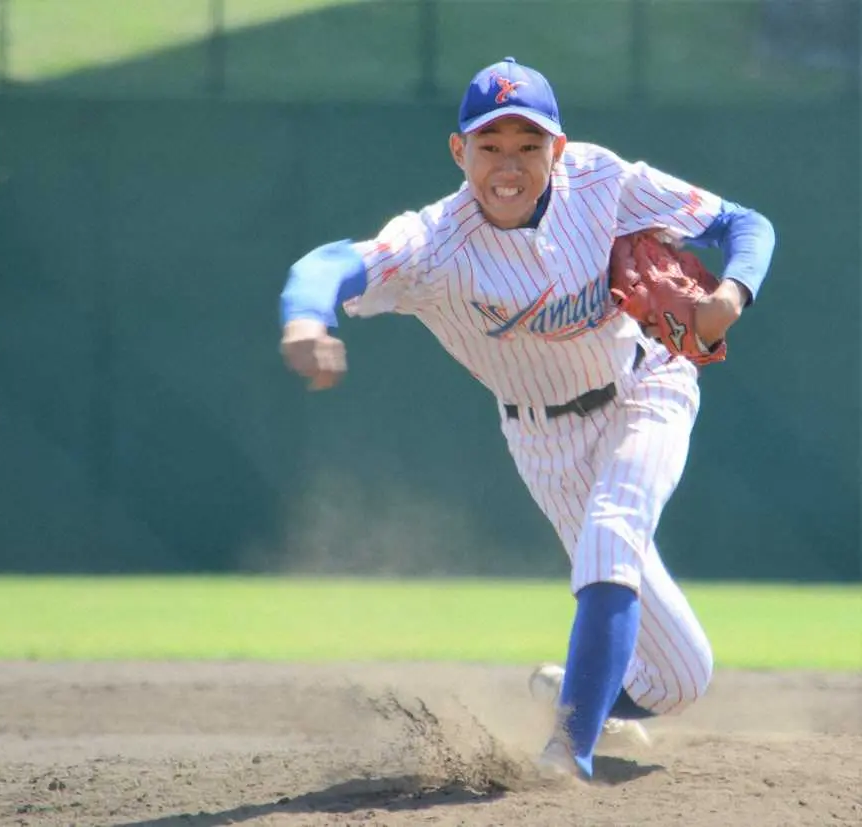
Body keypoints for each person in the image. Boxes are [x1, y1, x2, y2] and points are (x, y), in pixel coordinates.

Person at [277, 56, 776, 780]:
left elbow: (743, 224)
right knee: (679, 679)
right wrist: (305, 319)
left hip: (648, 387)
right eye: (490, 145)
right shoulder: (433, 242)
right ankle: (569, 690)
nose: (508, 165)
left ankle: (565, 754)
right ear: (459, 151)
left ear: (558, 149)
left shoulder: (603, 182)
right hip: (544, 439)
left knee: (613, 530)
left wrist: (731, 294)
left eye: (528, 144)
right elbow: (328, 264)